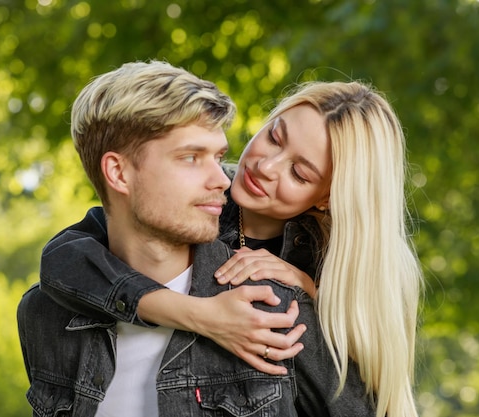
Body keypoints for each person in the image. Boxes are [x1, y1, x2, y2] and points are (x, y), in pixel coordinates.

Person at [38, 76, 423, 416]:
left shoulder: (341, 261)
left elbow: (355, 399)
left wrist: (311, 291)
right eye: (274, 136)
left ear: (328, 197)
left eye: (299, 173)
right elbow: (65, 259)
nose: (265, 166)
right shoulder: (197, 196)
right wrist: (201, 316)